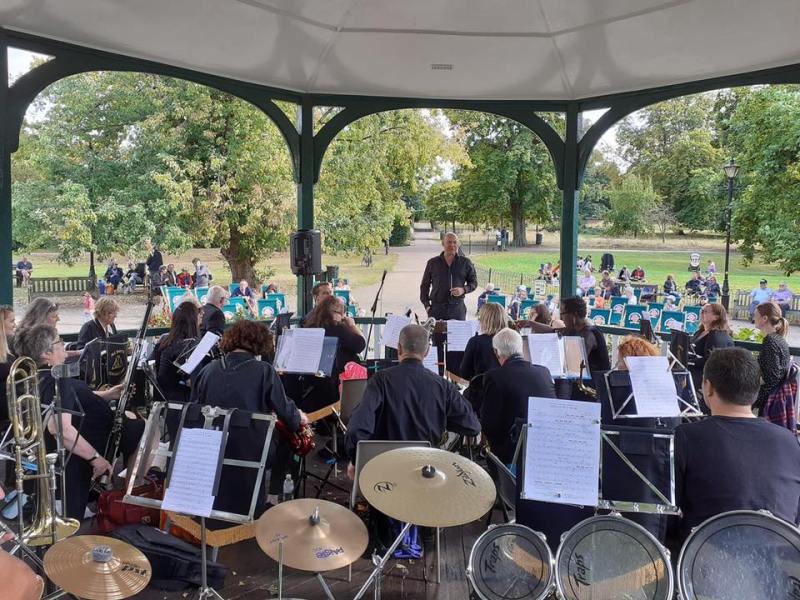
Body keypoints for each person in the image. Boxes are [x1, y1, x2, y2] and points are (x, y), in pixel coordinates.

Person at [14, 324, 143, 520]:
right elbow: (60, 429)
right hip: (70, 463)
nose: (63, 345)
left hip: (51, 462)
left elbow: (70, 399)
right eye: (59, 342)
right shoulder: (60, 378)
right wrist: (95, 458)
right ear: (47, 354)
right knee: (142, 428)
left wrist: (107, 395)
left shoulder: (34, 379)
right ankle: (133, 499)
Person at [673, 348, 800, 543]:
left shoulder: (687, 436)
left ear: (708, 388)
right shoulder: (789, 441)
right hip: (776, 560)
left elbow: (669, 510)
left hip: (703, 559)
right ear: (756, 388)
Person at [191, 320, 306, 521]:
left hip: (211, 446)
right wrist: (299, 418)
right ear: (260, 343)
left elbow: (195, 408)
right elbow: (287, 413)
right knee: (289, 444)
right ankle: (274, 496)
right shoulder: (263, 370)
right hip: (251, 449)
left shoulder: (208, 370)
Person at [344, 324, 480, 477]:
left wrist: (356, 459)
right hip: (427, 473)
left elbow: (357, 427)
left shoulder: (380, 380)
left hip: (386, 472)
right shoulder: (443, 386)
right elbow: (472, 426)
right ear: (427, 352)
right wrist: (442, 418)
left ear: (399, 349)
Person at [481, 328, 555, 464]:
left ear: (496, 352)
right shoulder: (544, 372)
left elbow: (489, 423)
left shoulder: (495, 376)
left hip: (513, 453)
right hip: (545, 448)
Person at [296, 295, 366, 411]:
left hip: (311, 386)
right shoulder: (338, 329)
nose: (343, 316)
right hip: (334, 387)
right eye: (341, 313)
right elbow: (360, 344)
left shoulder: (310, 327)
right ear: (334, 313)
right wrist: (352, 325)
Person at [155, 302, 201, 439]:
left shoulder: (165, 340)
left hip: (168, 401)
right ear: (192, 320)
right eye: (199, 314)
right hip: (182, 404)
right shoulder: (187, 346)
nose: (201, 316)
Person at [420, 232, 477, 321]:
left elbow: (474, 283)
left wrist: (463, 290)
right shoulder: (432, 263)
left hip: (457, 309)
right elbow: (424, 286)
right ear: (443, 244)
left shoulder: (466, 263)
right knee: (437, 335)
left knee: (458, 335)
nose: (452, 245)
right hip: (436, 310)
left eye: (455, 242)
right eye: (449, 242)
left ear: (458, 244)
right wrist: (427, 306)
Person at [752, 302, 791, 412]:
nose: (753, 317)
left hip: (767, 399)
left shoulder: (770, 340)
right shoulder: (778, 338)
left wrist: (750, 381)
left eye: (756, 315)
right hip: (775, 396)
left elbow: (771, 376)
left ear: (764, 318)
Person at [689, 303, 734, 393]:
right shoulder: (700, 331)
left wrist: (689, 361)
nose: (701, 313)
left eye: (705, 311)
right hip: (694, 375)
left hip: (705, 382)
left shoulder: (717, 335)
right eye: (701, 311)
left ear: (716, 317)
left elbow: (711, 360)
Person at [560, 296, 610, 375]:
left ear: (574, 315)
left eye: (562, 314)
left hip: (594, 383)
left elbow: (577, 362)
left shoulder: (589, 333)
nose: (561, 318)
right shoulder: (577, 329)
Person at [460, 302, 506, 381]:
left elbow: (464, 373)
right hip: (506, 389)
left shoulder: (475, 341)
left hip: (482, 388)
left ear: (484, 320)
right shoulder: (511, 339)